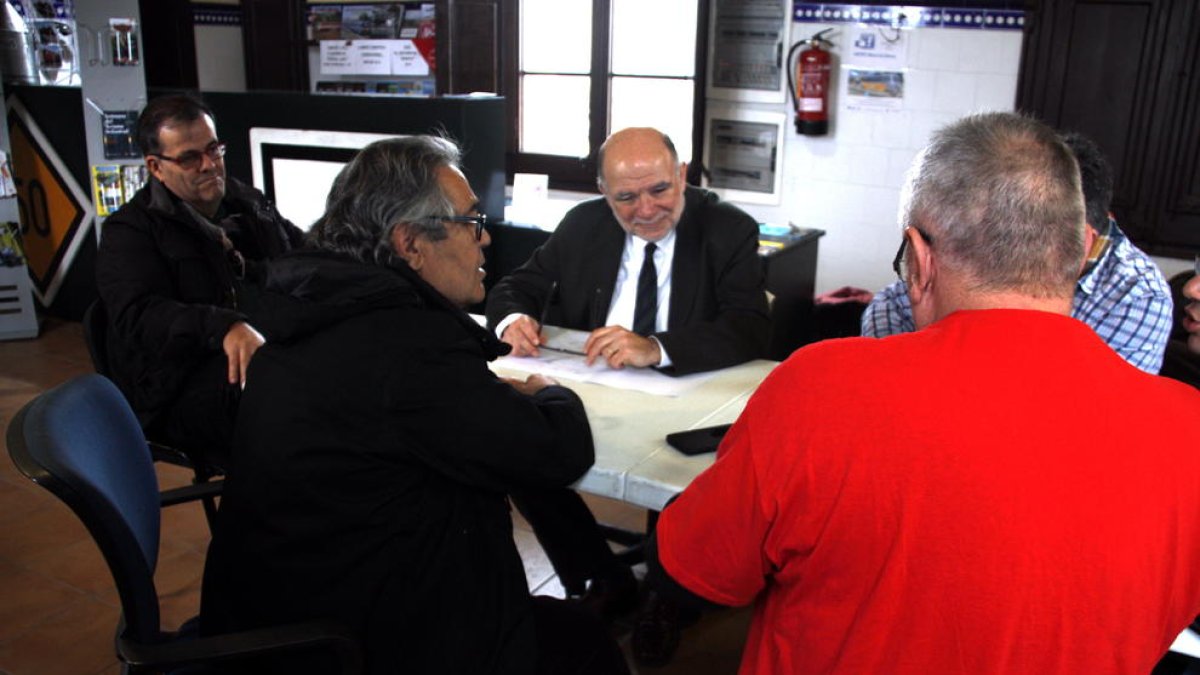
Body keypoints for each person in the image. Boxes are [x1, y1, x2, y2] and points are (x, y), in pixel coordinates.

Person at [648, 112, 1200, 675]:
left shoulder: (820, 388)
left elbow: (693, 570)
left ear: (919, 256)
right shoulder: (1190, 435)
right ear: (1082, 247)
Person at [200, 136, 629, 675]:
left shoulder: (310, 308)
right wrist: (548, 391)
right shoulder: (406, 347)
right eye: (471, 223)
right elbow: (553, 451)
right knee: (581, 643)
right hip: (350, 637)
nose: (486, 239)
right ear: (410, 244)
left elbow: (417, 420)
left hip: (284, 607)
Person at [484, 127, 770, 657]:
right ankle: (600, 574)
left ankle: (666, 594)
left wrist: (656, 347)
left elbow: (751, 325)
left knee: (676, 474)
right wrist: (514, 319)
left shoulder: (728, 229)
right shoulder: (583, 224)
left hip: (687, 392)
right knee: (521, 448)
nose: (645, 209)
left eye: (660, 190)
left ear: (682, 175)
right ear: (601, 192)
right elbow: (515, 284)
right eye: (625, 197)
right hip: (597, 387)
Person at [95, 94, 305, 465]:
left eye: (214, 150)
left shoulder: (245, 201)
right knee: (302, 411)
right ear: (156, 167)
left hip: (263, 354)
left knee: (345, 373)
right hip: (179, 387)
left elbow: (299, 252)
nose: (210, 165)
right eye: (191, 158)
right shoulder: (129, 232)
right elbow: (138, 314)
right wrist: (224, 326)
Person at [860, 131, 1172, 374]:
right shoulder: (999, 233)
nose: (1018, 238)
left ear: (1085, 238)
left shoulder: (1138, 296)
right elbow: (893, 302)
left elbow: (1089, 410)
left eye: (1043, 228)